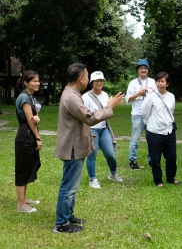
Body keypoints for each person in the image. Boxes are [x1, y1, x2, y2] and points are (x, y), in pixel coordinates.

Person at [54, 63, 124, 233]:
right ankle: (61, 224)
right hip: (72, 147)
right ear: (81, 78)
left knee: (72, 184)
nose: (88, 79)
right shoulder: (72, 97)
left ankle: (68, 215)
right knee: (68, 186)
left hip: (74, 145)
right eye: (87, 76)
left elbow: (82, 120)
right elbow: (90, 118)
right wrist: (110, 106)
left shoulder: (72, 94)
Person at [82, 71, 124, 189]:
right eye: (97, 81)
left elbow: (106, 112)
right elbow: (84, 116)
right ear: (92, 83)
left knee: (110, 154)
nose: (99, 83)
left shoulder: (105, 95)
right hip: (92, 129)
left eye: (101, 80)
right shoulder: (86, 97)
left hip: (104, 128)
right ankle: (92, 179)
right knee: (92, 155)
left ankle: (113, 174)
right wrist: (87, 130)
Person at [141, 72, 181, 187]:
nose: (160, 84)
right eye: (158, 81)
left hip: (169, 131)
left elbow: (171, 111)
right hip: (154, 132)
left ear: (167, 83)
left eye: (162, 81)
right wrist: (152, 123)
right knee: (155, 158)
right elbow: (144, 112)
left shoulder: (171, 96)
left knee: (172, 156)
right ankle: (158, 180)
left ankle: (171, 178)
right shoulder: (150, 97)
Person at [14, 71, 42, 213]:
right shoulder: (24, 97)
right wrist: (38, 138)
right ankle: (21, 205)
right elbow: (30, 121)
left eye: (38, 81)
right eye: (34, 81)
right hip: (26, 135)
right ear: (26, 83)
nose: (37, 83)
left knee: (28, 166)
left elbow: (33, 117)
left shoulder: (30, 96)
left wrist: (37, 118)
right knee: (22, 169)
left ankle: (24, 199)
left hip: (27, 133)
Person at [125, 59, 157, 169]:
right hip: (137, 115)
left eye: (145, 68)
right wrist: (138, 93)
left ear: (148, 70)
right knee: (135, 139)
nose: (143, 70)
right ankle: (132, 161)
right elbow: (128, 100)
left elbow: (159, 97)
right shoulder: (133, 83)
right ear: (138, 70)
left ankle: (152, 160)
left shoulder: (153, 82)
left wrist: (152, 92)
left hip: (151, 115)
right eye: (141, 68)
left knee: (152, 139)